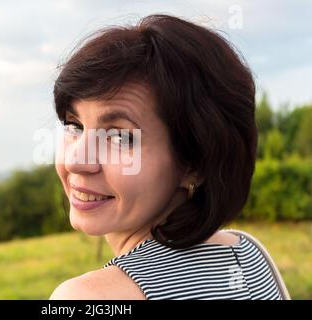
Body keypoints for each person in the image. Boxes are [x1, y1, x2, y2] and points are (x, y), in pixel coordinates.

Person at [50, 14, 283, 300]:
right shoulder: (251, 256)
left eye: (120, 136)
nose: (76, 161)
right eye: (74, 126)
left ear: (194, 163)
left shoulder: (87, 297)